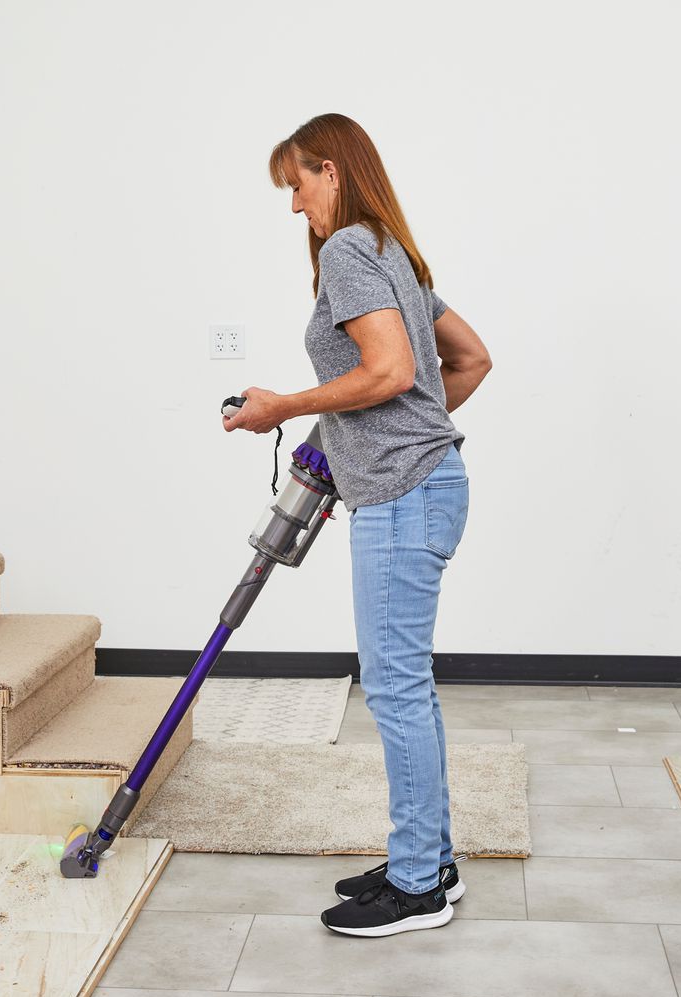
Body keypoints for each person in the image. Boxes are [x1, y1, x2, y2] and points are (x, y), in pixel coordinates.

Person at [222, 113, 493, 937]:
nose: (294, 205)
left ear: (331, 171)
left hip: (405, 496)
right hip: (423, 484)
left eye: (296, 185)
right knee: (407, 685)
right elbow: (470, 360)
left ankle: (417, 887)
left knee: (394, 688)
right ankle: (428, 861)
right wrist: (387, 438)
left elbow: (392, 370)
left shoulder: (349, 252)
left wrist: (283, 405)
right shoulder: (395, 255)